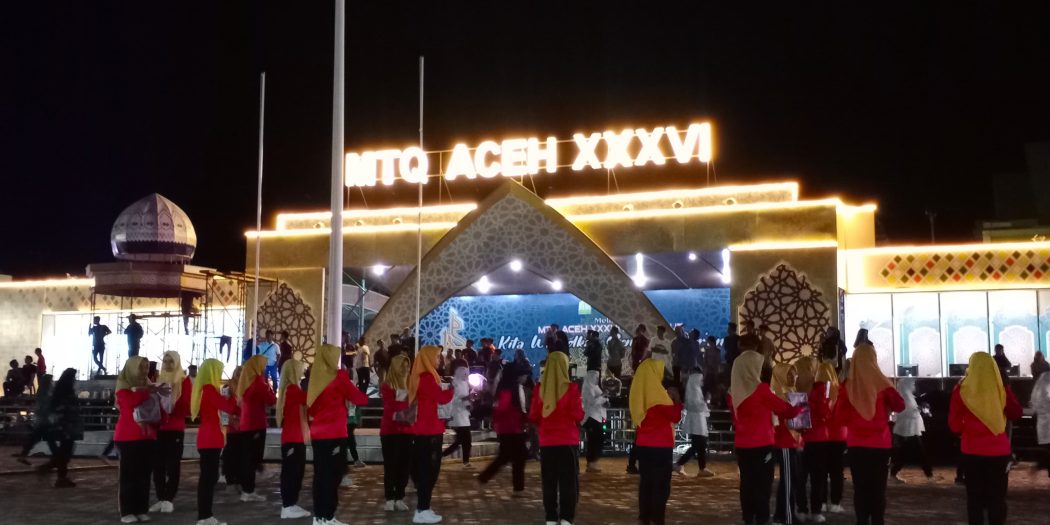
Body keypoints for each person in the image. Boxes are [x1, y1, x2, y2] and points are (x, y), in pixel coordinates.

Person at [727, 351, 803, 525]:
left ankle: (749, 518)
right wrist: (800, 407)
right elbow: (785, 409)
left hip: (742, 444)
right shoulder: (760, 389)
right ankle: (762, 519)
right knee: (762, 486)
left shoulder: (734, 391)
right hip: (762, 444)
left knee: (746, 484)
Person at [833, 342, 904, 525]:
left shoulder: (847, 386)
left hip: (856, 445)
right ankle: (877, 520)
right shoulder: (882, 383)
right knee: (878, 489)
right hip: (880, 445)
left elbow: (839, 417)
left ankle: (862, 521)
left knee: (861, 489)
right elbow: (900, 405)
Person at [949, 352, 1023, 525]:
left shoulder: (960, 390)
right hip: (998, 452)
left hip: (971, 451)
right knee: (997, 499)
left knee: (974, 499)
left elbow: (954, 425)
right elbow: (1016, 412)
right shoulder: (1001, 389)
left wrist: (966, 431)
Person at [307, 344, 369, 525]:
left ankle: (319, 517)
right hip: (334, 433)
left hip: (318, 434)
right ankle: (328, 516)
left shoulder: (316, 378)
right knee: (332, 477)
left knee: (320, 476)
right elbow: (358, 397)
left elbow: (311, 407)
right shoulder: (338, 377)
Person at [529, 351, 584, 525]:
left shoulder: (540, 389)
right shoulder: (571, 388)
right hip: (567, 442)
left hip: (547, 442)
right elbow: (579, 415)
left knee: (549, 481)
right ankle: (567, 517)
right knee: (568, 481)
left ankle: (551, 517)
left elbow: (534, 415)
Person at [630, 358, 682, 525]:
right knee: (661, 485)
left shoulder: (639, 396)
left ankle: (644, 517)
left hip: (643, 445)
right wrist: (677, 400)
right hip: (661, 447)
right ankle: (657, 518)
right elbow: (675, 416)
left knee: (646, 483)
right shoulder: (660, 397)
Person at [114, 356, 165, 523]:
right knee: (128, 475)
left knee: (144, 475)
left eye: (146, 367)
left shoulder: (149, 387)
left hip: (148, 436)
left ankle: (141, 508)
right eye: (141, 367)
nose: (144, 371)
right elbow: (130, 402)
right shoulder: (123, 388)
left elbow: (157, 409)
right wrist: (148, 391)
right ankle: (127, 511)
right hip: (128, 437)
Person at [409, 345, 455, 524]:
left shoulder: (421, 377)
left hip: (424, 429)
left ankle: (423, 508)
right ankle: (422, 509)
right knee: (430, 471)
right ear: (428, 359)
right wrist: (452, 389)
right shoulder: (427, 378)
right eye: (436, 357)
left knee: (426, 471)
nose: (439, 360)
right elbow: (442, 398)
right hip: (429, 430)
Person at [191, 358, 239, 525]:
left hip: (209, 437)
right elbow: (229, 407)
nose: (220, 374)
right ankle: (204, 516)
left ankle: (206, 515)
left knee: (209, 477)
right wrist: (233, 395)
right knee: (208, 478)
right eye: (218, 371)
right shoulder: (209, 389)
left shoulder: (207, 389)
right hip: (209, 438)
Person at [151, 351, 192, 513]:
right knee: (158, 466)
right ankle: (161, 498)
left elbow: (187, 406)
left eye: (171, 362)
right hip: (159, 429)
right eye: (165, 361)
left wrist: (172, 401)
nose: (167, 365)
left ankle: (169, 498)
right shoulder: (159, 380)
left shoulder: (184, 381)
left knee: (173, 465)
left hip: (174, 429)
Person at [479, 363, 531, 494]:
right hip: (512, 428)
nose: (526, 377)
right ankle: (517, 488)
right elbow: (503, 407)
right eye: (524, 375)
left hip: (508, 427)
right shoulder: (511, 388)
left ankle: (486, 477)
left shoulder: (507, 387)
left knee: (508, 456)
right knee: (515, 457)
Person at [808, 357, 846, 514]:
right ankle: (835, 502)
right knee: (837, 472)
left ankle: (822, 501)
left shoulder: (814, 390)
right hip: (838, 435)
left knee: (821, 472)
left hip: (821, 436)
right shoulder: (840, 390)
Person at [770, 363, 807, 525]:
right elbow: (787, 414)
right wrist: (800, 409)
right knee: (788, 481)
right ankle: (787, 516)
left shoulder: (792, 393)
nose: (794, 377)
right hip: (784, 442)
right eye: (790, 375)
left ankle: (783, 514)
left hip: (793, 441)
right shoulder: (778, 395)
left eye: (795, 374)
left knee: (792, 480)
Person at [237, 355, 277, 502]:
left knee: (248, 457)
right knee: (253, 458)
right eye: (263, 365)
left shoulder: (246, 380)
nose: (265, 368)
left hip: (247, 423)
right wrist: (268, 385)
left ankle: (247, 489)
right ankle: (248, 490)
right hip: (256, 424)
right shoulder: (258, 381)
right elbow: (271, 399)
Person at [277, 358, 311, 519]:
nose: (303, 371)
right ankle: (287, 505)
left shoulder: (293, 389)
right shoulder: (292, 390)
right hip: (292, 438)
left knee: (297, 472)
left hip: (295, 437)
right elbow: (309, 399)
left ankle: (291, 503)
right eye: (300, 369)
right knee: (291, 472)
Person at [380, 354, 413, 512]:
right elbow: (390, 408)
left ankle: (400, 496)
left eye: (408, 366)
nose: (406, 369)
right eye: (403, 366)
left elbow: (411, 406)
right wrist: (404, 403)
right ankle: (389, 497)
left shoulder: (410, 384)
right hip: (391, 431)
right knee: (391, 465)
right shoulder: (388, 386)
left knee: (404, 465)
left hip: (407, 430)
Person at [890, 377, 933, 483]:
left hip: (910, 429)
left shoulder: (908, 396)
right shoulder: (904, 396)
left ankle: (893, 473)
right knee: (919, 452)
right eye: (912, 384)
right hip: (907, 429)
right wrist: (919, 409)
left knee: (905, 453)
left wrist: (919, 409)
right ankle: (929, 474)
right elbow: (904, 412)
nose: (913, 386)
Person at [675, 367, 713, 477]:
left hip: (697, 420)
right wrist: (706, 401)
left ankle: (702, 468)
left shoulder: (693, 388)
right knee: (697, 445)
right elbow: (696, 405)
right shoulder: (694, 390)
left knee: (700, 445)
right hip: (696, 421)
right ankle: (679, 463)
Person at [48, 368, 81, 488]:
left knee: (65, 450)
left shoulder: (59, 391)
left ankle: (59, 473)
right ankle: (60, 476)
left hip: (64, 425)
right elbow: (66, 408)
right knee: (65, 450)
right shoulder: (66, 392)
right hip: (67, 425)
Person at [442, 362, 474, 468]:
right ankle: (464, 461)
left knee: (461, 441)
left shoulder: (465, 384)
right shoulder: (455, 383)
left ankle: (464, 461)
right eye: (464, 373)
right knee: (464, 440)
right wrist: (468, 398)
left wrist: (470, 403)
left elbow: (465, 398)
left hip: (464, 415)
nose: (466, 375)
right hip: (457, 415)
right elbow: (454, 399)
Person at [220, 366, 244, 492]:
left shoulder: (245, 388)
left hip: (243, 426)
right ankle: (230, 480)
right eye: (237, 373)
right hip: (232, 426)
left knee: (240, 455)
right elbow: (223, 407)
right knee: (230, 454)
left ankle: (239, 480)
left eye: (242, 373)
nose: (239, 375)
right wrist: (228, 421)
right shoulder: (227, 388)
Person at [582, 369, 608, 472]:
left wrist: (605, 399)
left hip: (598, 417)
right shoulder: (587, 388)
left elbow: (601, 399)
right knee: (594, 440)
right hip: (591, 417)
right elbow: (592, 402)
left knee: (598, 439)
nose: (597, 379)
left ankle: (593, 461)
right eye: (595, 377)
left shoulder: (595, 387)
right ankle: (591, 462)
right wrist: (602, 397)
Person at [1030, 369, 1050, 477]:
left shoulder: (1043, 378)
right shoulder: (1046, 379)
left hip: (1042, 420)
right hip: (1046, 419)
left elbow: (1034, 399)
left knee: (1047, 447)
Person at [703, 335, 722, 400]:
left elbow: (717, 361)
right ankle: (713, 399)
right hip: (711, 370)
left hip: (712, 371)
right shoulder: (715, 350)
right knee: (711, 386)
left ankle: (712, 399)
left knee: (710, 386)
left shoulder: (710, 351)